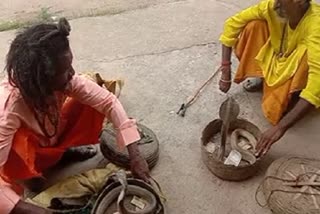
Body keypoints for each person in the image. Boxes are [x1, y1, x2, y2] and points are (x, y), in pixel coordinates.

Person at [0, 18, 150, 214]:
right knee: (18, 148)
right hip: (27, 149)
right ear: (42, 78)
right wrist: (31, 210)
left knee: (93, 99)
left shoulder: (66, 81)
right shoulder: (8, 109)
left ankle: (61, 156)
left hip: (49, 137)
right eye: (64, 71)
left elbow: (108, 102)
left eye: (70, 65)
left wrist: (135, 155)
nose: (72, 73)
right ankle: (30, 173)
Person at [218, 0, 320, 156]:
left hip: (296, 63)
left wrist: (281, 127)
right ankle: (264, 77)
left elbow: (317, 78)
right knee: (253, 26)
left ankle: (296, 94)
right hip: (277, 56)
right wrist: (226, 69)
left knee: (308, 58)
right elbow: (232, 24)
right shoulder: (271, 6)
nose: (276, 4)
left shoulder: (315, 23)